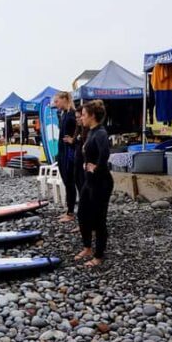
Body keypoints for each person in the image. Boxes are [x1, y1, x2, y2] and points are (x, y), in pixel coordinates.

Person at [75, 100, 114, 267]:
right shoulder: (90, 131)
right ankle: (87, 247)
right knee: (82, 214)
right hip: (89, 181)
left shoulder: (100, 133)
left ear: (92, 116)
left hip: (101, 181)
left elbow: (105, 153)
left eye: (84, 115)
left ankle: (98, 256)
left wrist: (96, 167)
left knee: (99, 219)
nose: (81, 117)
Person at [55, 92, 77, 222]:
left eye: (57, 101)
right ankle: (69, 210)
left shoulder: (72, 115)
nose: (55, 104)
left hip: (69, 153)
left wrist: (73, 141)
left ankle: (71, 212)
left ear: (64, 99)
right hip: (63, 151)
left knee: (70, 182)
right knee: (67, 182)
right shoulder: (64, 115)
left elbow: (77, 133)